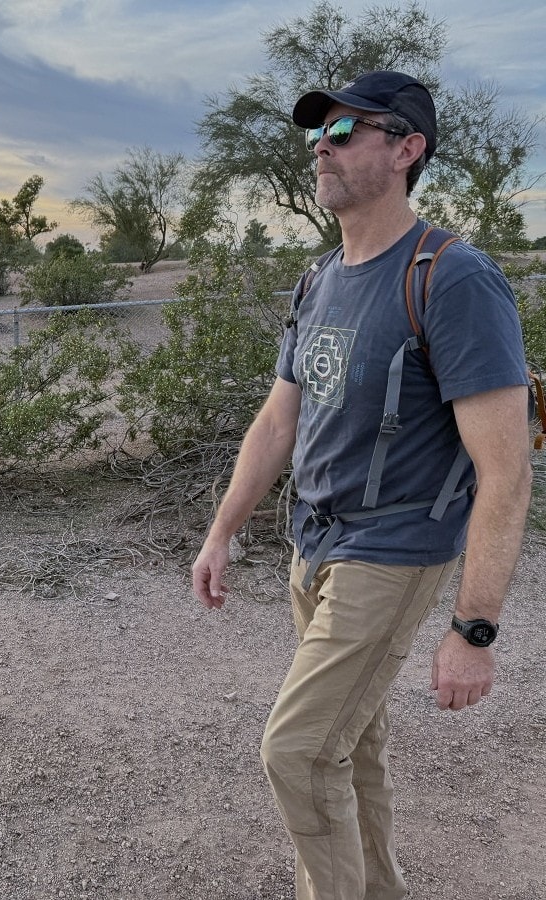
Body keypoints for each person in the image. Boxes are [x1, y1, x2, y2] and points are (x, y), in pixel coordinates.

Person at [192, 70, 532, 900]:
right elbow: (278, 422)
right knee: (353, 747)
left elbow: (508, 470)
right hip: (316, 546)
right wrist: (222, 529)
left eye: (345, 133)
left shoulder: (454, 278)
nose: (321, 149)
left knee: (298, 751)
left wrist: (475, 629)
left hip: (394, 549)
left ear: (407, 149)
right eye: (316, 136)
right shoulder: (321, 278)